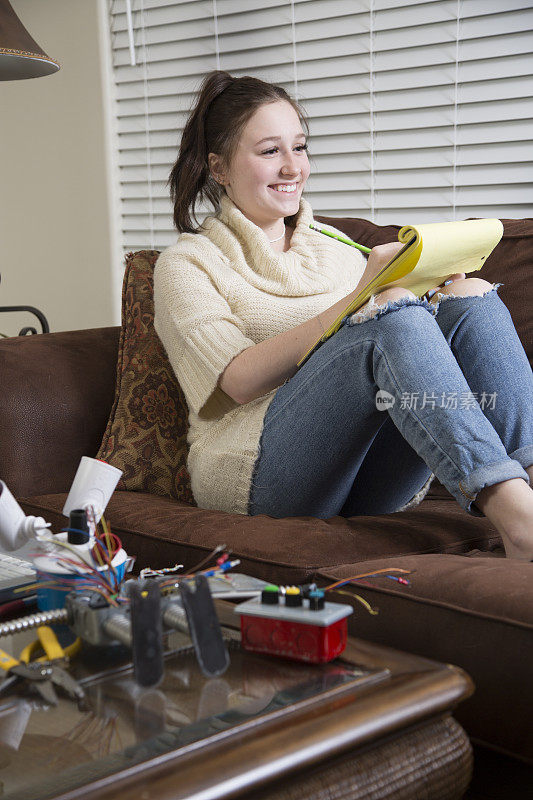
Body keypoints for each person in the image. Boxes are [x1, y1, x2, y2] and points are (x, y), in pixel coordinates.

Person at [154, 70, 533, 560]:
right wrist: (361, 303)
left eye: (300, 147)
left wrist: (433, 294)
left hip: (367, 478)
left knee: (472, 297)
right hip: (256, 474)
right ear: (219, 168)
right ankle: (519, 523)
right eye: (270, 151)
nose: (293, 167)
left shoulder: (337, 248)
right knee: (389, 316)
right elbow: (236, 380)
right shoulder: (187, 263)